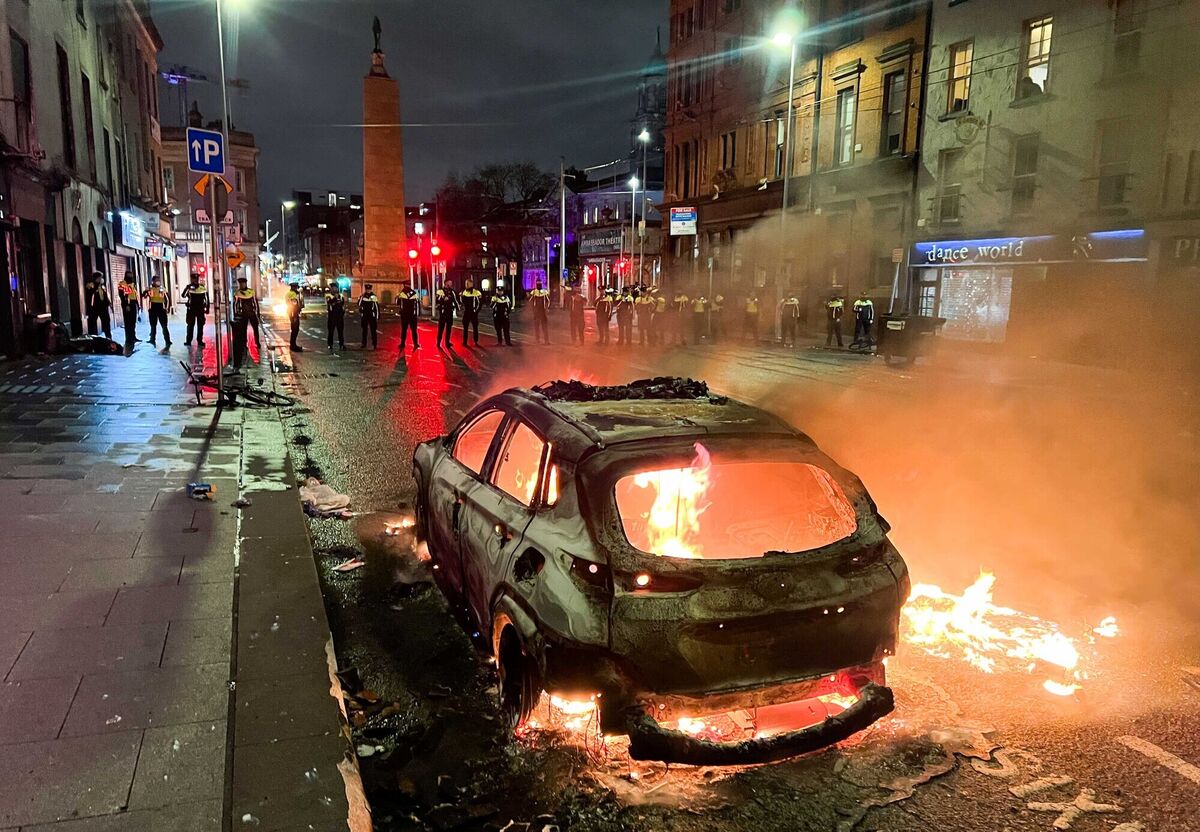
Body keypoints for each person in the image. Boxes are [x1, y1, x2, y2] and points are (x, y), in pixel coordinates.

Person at [231, 277, 259, 370]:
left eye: (243, 283)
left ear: (246, 283)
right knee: (243, 330)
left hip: (251, 313)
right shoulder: (237, 293)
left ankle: (257, 342)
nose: (242, 285)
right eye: (241, 283)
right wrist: (236, 314)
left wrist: (257, 313)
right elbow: (235, 304)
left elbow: (255, 302)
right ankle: (244, 343)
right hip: (243, 314)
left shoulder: (251, 291)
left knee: (255, 328)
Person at [140, 276, 172, 348]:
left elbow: (168, 298)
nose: (158, 281)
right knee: (153, 326)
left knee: (164, 326)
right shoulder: (150, 289)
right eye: (156, 280)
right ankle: (152, 339)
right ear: (153, 281)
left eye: (158, 280)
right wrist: (146, 291)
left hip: (161, 308)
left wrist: (167, 308)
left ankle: (167, 340)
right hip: (153, 308)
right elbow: (144, 296)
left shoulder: (162, 289)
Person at [181, 274, 209, 347]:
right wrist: (187, 288)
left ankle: (200, 341)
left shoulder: (202, 287)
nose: (195, 280)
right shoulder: (189, 287)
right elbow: (183, 295)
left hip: (200, 309)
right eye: (194, 279)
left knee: (200, 326)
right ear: (191, 279)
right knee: (190, 325)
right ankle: (188, 341)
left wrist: (207, 308)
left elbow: (207, 298)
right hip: (191, 309)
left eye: (196, 279)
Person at [86, 272, 113, 340]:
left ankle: (108, 337)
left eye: (101, 277)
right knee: (92, 323)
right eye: (100, 278)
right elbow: (90, 294)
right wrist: (96, 286)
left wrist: (109, 303)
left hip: (103, 307)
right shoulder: (91, 285)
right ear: (96, 278)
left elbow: (105, 295)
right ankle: (93, 338)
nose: (101, 279)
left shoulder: (102, 286)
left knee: (106, 322)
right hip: (94, 307)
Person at [396, 282, 419, 351]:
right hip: (412, 314)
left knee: (404, 330)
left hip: (404, 314)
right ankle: (415, 343)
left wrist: (397, 297)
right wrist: (417, 314)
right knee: (414, 330)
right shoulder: (414, 293)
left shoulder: (402, 293)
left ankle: (402, 343)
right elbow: (417, 304)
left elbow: (398, 303)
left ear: (404, 285)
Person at [460, 278, 483, 347]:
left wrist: (476, 311)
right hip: (466, 312)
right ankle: (464, 341)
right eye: (466, 283)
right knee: (465, 327)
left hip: (473, 312)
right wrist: (461, 297)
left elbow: (480, 303)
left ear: (472, 284)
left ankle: (476, 341)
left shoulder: (476, 292)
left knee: (475, 327)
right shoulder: (464, 292)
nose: (466, 285)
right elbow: (462, 302)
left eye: (468, 283)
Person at [435, 281, 458, 349]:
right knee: (441, 328)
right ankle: (438, 342)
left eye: (451, 283)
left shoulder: (452, 292)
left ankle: (447, 342)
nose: (451, 284)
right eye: (449, 283)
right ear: (446, 283)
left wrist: (457, 307)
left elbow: (455, 300)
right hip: (443, 312)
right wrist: (443, 299)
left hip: (450, 312)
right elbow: (437, 300)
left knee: (449, 328)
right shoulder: (440, 291)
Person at [117, 275, 139, 347]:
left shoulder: (132, 284)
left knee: (133, 321)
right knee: (128, 322)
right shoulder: (122, 284)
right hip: (127, 304)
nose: (131, 277)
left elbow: (134, 294)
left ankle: (133, 336)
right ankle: (128, 338)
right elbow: (122, 295)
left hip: (133, 303)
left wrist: (137, 304)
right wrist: (126, 305)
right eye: (129, 275)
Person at [359, 283, 381, 349]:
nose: (368, 290)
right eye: (367, 289)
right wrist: (361, 297)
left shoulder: (373, 296)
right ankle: (364, 343)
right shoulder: (363, 296)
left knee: (373, 330)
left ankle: (374, 344)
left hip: (372, 315)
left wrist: (377, 316)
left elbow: (376, 307)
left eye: (369, 289)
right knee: (364, 331)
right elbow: (359, 304)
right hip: (364, 315)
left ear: (371, 289)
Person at [325, 286, 346, 350]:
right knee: (331, 332)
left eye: (336, 290)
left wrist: (342, 313)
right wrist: (336, 300)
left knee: (340, 332)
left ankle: (341, 344)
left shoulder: (341, 297)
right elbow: (330, 305)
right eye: (333, 289)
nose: (335, 291)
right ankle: (330, 344)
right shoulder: (329, 297)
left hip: (339, 317)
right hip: (332, 318)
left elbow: (343, 306)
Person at [285, 282, 304, 352]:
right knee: (295, 329)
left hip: (292, 313)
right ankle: (293, 346)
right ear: (293, 287)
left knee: (294, 329)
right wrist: (295, 314)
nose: (297, 289)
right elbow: (294, 305)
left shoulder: (290, 293)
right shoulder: (292, 294)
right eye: (296, 287)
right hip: (293, 313)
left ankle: (293, 345)